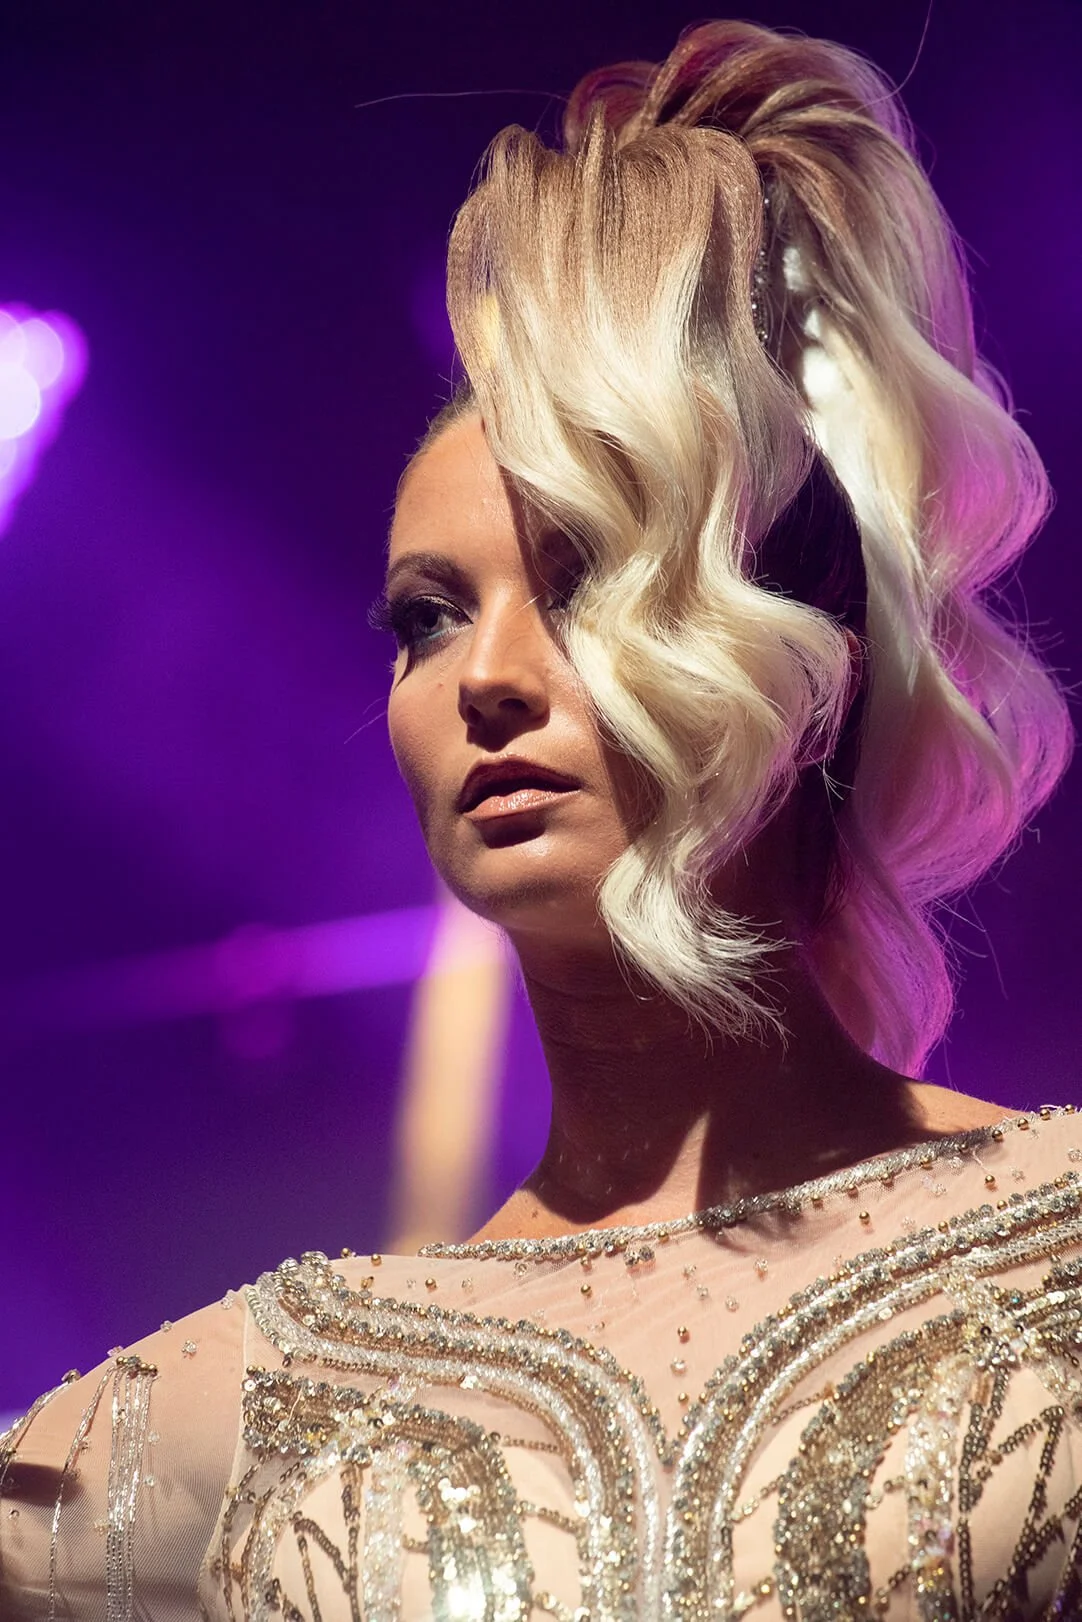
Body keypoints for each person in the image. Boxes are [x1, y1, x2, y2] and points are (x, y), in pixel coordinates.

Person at [2, 18, 1079, 1620]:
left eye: (579, 579)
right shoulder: (245, 1421)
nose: (483, 677)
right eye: (426, 616)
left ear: (806, 642)